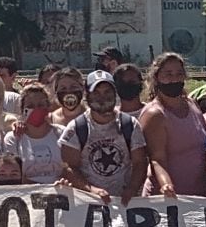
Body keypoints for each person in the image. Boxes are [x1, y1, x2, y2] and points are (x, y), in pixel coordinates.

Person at [59, 70, 148, 204]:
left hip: (125, 202)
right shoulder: (76, 128)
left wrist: (132, 189)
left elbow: (140, 162)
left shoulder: (130, 124)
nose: (102, 97)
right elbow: (68, 166)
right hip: (89, 202)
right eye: (96, 93)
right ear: (87, 95)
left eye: (107, 92)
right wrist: (91, 190)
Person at [139, 53, 206, 198]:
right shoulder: (155, 114)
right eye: (168, 74)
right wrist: (166, 184)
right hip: (168, 199)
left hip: (199, 197)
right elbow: (157, 159)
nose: (174, 79)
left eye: (179, 74)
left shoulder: (192, 105)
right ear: (157, 78)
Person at [3, 82, 66, 185]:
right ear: (22, 110)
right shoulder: (13, 139)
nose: (36, 109)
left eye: (40, 105)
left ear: (48, 107)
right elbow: (14, 174)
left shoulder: (61, 133)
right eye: (30, 106)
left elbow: (69, 167)